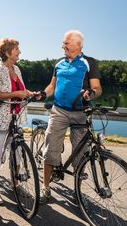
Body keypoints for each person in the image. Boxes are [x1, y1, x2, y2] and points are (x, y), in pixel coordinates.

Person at [39, 30, 102, 204]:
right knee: (51, 147)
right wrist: (43, 94)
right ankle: (45, 187)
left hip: (81, 112)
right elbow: (52, 86)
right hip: (59, 110)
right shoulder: (59, 63)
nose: (62, 46)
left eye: (66, 43)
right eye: (63, 43)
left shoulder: (89, 62)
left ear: (78, 45)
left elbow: (97, 88)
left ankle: (78, 191)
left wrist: (91, 93)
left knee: (80, 153)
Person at [0, 38, 34, 205]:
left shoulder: (17, 69)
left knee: (17, 152)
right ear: (7, 52)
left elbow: (20, 90)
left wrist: (29, 93)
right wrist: (16, 95)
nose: (19, 51)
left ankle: (16, 184)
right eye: (16, 49)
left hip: (14, 116)